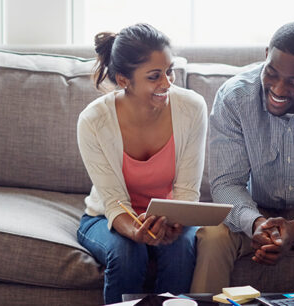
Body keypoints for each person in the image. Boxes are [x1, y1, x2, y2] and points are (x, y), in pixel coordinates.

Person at [76, 23, 207, 303]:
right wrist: (137, 232)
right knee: (127, 254)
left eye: (169, 71)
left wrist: (177, 223)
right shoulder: (93, 121)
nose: (167, 83)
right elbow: (113, 202)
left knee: (181, 250)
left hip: (169, 216)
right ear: (124, 80)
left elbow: (186, 191)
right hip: (107, 218)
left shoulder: (192, 108)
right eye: (154, 76)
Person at [191, 21, 294, 293]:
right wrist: (255, 223)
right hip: (257, 213)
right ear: (266, 55)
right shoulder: (234, 97)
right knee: (213, 236)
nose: (278, 88)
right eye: (272, 73)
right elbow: (227, 183)